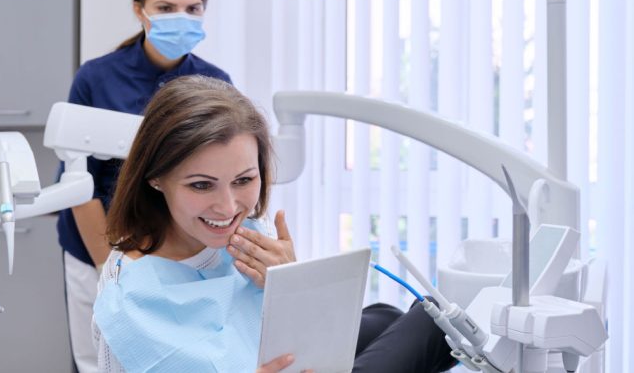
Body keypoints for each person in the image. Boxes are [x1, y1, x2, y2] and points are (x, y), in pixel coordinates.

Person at [92, 75, 458, 372]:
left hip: (288, 358)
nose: (228, 207)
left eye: (244, 180)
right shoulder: (127, 294)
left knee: (387, 315)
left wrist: (291, 281)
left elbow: (295, 331)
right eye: (201, 185)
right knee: (435, 319)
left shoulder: (251, 228)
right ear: (155, 178)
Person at [55, 0, 230, 371]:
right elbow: (78, 185)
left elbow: (224, 175)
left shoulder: (215, 85)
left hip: (181, 253)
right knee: (99, 361)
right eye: (166, 8)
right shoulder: (97, 78)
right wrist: (110, 267)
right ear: (140, 10)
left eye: (192, 8)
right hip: (96, 245)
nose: (180, 17)